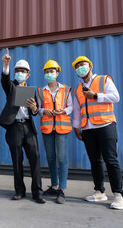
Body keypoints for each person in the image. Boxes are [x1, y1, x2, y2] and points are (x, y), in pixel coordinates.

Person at [72, 56, 123, 210]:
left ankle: (118, 194)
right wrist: (76, 127)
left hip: (105, 125)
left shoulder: (104, 80)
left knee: (110, 160)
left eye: (82, 65)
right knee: (95, 161)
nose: (80, 68)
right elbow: (77, 110)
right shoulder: (77, 89)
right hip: (88, 128)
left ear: (90, 66)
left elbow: (116, 97)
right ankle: (99, 191)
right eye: (77, 67)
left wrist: (95, 96)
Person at [0, 48, 46, 204]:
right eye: (17, 71)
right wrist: (6, 65)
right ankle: (19, 190)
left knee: (35, 157)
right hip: (14, 128)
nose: (20, 73)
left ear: (28, 74)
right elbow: (5, 80)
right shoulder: (11, 86)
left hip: (28, 128)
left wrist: (34, 108)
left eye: (23, 71)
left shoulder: (32, 91)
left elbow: (35, 111)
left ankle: (37, 192)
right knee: (17, 159)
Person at [36, 60, 73, 204]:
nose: (49, 74)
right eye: (47, 72)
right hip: (47, 128)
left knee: (62, 159)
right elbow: (37, 109)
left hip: (62, 128)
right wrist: (44, 111)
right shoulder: (40, 91)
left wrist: (64, 111)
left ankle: (62, 190)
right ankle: (54, 185)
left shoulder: (66, 89)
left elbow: (71, 106)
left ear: (57, 73)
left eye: (52, 71)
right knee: (51, 158)